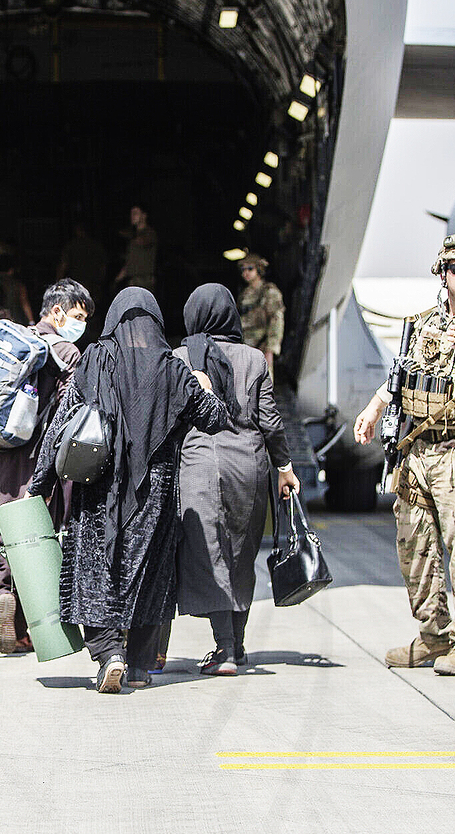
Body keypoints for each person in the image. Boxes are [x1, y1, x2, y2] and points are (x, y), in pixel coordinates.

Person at [28, 288, 231, 694]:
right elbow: (215, 420)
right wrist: (205, 387)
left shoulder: (96, 360)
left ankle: (108, 654)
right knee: (148, 576)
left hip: (98, 489)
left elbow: (63, 424)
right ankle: (138, 664)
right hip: (155, 494)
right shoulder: (173, 370)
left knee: (94, 570)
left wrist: (41, 483)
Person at [353, 234, 455, 676]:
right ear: (442, 275)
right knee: (416, 548)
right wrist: (374, 408)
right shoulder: (425, 322)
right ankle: (433, 636)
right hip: (419, 453)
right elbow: (403, 375)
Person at [0, 279, 94, 654]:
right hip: (33, 464)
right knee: (31, 538)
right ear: (56, 311)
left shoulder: (5, 342)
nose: (80, 323)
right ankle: (22, 621)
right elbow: (69, 412)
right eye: (77, 315)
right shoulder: (66, 353)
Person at [174, 284, 299, 675]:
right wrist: (284, 467)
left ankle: (225, 649)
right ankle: (238, 646)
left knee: (209, 554)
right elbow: (270, 421)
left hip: (198, 464)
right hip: (250, 464)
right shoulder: (254, 359)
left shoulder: (180, 358)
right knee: (241, 554)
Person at [238, 253, 285, 374]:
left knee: (263, 386)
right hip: (245, 345)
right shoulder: (244, 294)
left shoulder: (268, 291)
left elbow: (276, 320)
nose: (246, 273)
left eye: (250, 268)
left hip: (261, 345)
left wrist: (270, 349)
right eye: (243, 269)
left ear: (259, 269)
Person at [115, 204, 158, 293]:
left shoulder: (149, 233)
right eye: (131, 214)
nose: (132, 216)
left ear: (144, 215)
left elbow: (142, 241)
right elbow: (130, 261)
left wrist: (127, 234)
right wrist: (118, 279)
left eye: (135, 213)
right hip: (132, 282)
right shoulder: (133, 238)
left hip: (145, 282)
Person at [0, 253, 35, 325]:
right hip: (15, 321)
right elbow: (25, 303)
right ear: (12, 269)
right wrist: (31, 321)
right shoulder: (18, 285)